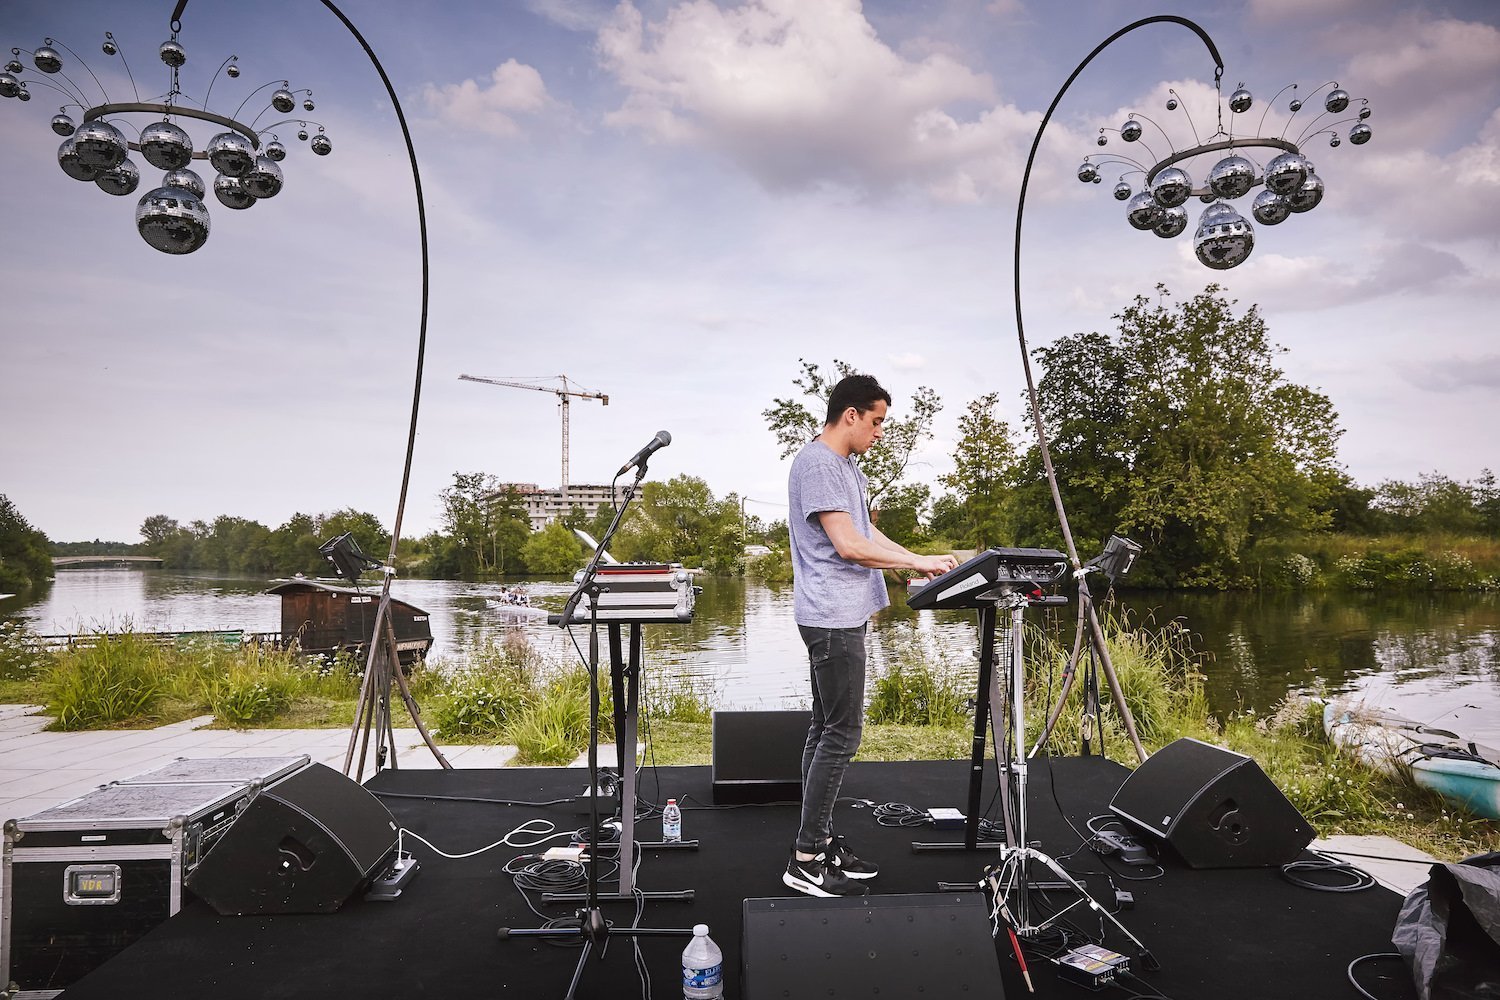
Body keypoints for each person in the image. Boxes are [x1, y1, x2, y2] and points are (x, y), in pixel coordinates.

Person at [782, 373, 959, 897]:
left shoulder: (846, 467)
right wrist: (915, 560)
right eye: (877, 421)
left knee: (824, 729)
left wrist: (912, 561)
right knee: (842, 735)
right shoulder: (817, 464)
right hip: (831, 618)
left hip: (838, 614)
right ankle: (806, 858)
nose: (880, 432)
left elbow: (866, 532)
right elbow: (847, 546)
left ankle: (816, 840)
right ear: (851, 414)